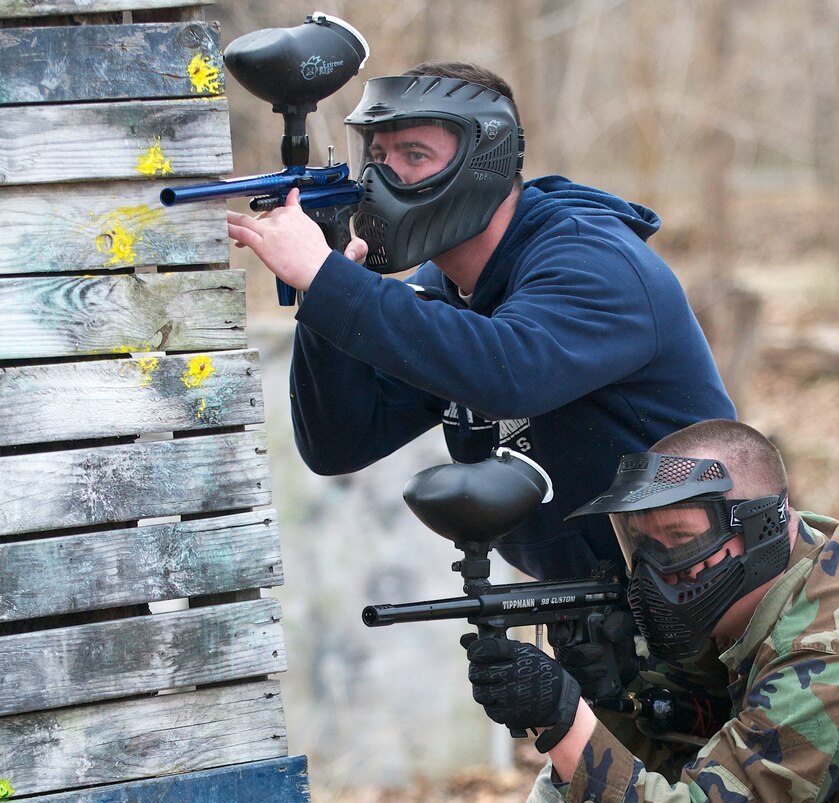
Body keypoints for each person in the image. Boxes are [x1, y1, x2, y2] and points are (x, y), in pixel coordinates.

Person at [226, 61, 735, 584]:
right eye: (375, 156)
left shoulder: (593, 260)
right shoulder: (444, 291)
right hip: (605, 603)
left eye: (414, 155)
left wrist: (333, 282)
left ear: (484, 163)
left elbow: (508, 374)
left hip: (723, 591)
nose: (380, 178)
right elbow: (341, 442)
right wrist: (325, 293)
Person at [464, 419, 839, 803]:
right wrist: (618, 700)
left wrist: (563, 719)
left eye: (680, 540)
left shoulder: (835, 652)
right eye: (644, 543)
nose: (660, 569)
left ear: (758, 528)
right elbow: (706, 738)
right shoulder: (793, 570)